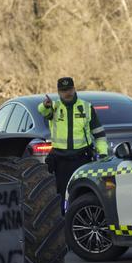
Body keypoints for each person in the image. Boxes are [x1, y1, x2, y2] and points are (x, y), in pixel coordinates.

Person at [38, 77, 108, 212]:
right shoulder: (54, 107)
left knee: (83, 194)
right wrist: (45, 105)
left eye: (69, 89)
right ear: (58, 92)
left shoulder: (86, 107)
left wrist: (103, 155)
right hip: (61, 160)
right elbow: (44, 111)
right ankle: (63, 223)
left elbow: (99, 134)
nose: (67, 93)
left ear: (74, 89)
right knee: (61, 195)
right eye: (63, 91)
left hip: (81, 158)